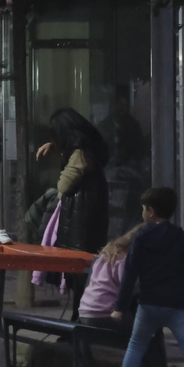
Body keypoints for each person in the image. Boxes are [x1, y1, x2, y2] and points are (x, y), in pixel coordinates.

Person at [117, 187, 184, 367]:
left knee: (136, 347)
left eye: (143, 209)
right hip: (179, 305)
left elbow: (130, 273)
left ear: (150, 211)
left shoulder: (141, 237)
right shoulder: (181, 237)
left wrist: (120, 306)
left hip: (149, 304)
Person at [77, 224, 171, 367]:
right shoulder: (127, 259)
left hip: (85, 312)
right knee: (152, 333)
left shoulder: (108, 252)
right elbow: (130, 289)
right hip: (105, 314)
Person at [37, 107, 111, 273]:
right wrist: (57, 147)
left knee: (78, 271)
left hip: (81, 220)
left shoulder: (80, 154)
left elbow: (63, 185)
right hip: (89, 217)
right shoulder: (90, 147)